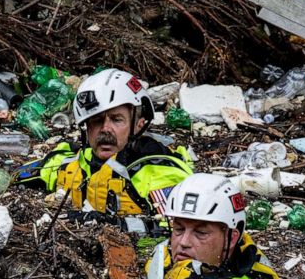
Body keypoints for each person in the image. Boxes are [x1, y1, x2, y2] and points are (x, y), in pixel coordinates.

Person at [16, 68, 193, 217]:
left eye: (116, 120)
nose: (105, 129)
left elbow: (177, 231)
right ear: (86, 127)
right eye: (97, 121)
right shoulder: (71, 164)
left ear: (138, 125)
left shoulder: (159, 174)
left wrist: (115, 224)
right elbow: (21, 174)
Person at [145, 173, 282, 279]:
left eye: (200, 233)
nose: (183, 242)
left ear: (232, 238)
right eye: (179, 229)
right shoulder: (163, 258)